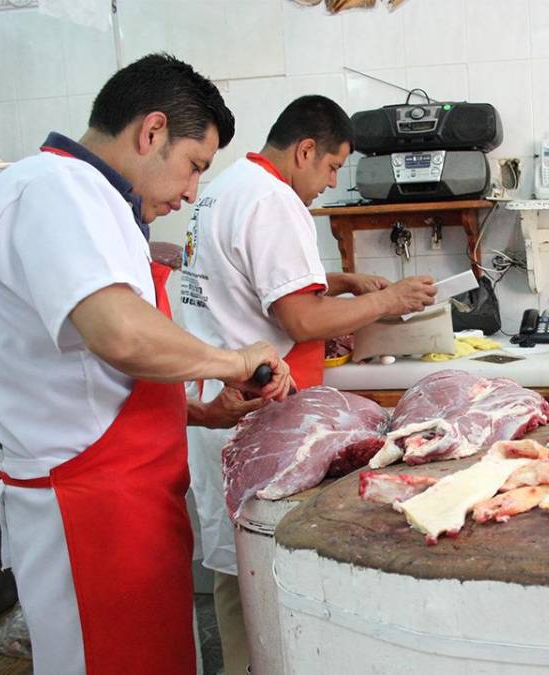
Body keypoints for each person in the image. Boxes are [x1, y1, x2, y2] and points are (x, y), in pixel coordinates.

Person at [0, 53, 292, 675]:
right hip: (91, 514)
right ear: (152, 131)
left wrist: (198, 412)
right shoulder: (56, 187)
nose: (191, 192)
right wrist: (233, 361)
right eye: (194, 165)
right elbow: (118, 333)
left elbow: (86, 381)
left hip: (126, 503)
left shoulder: (89, 199)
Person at [178, 93, 436, 672]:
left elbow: (250, 284)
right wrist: (390, 300)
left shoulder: (230, 184)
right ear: (305, 150)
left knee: (236, 571)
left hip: (220, 406)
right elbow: (300, 320)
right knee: (264, 579)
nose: (332, 181)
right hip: (253, 417)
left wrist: (335, 281)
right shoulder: (274, 200)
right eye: (333, 166)